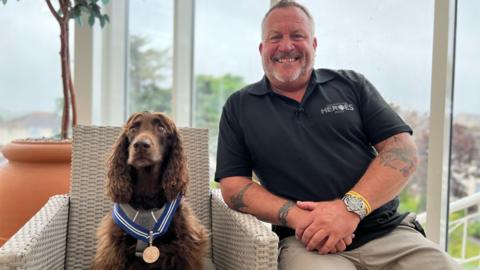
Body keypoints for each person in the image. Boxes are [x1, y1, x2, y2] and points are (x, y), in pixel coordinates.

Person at [214, 1, 461, 269]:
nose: (286, 46)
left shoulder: (351, 85)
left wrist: (348, 210)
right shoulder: (239, 107)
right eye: (276, 37)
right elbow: (233, 186)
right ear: (262, 49)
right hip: (305, 241)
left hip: (387, 233)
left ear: (314, 45)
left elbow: (402, 150)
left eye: (297, 36)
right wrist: (297, 217)